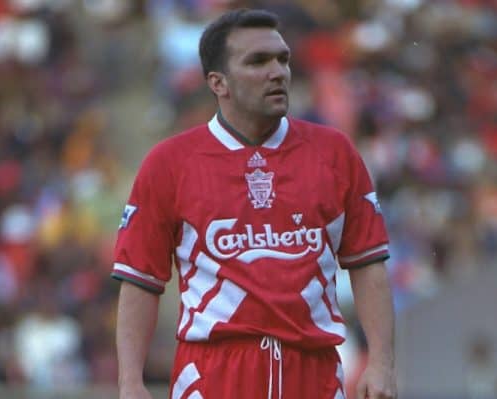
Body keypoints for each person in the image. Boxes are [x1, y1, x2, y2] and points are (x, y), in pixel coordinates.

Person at [112, 8, 397, 399]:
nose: (278, 71)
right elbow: (140, 279)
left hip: (313, 372)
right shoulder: (170, 163)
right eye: (258, 61)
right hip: (213, 373)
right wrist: (130, 382)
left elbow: (368, 264)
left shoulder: (335, 154)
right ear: (219, 83)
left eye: (283, 59)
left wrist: (380, 362)